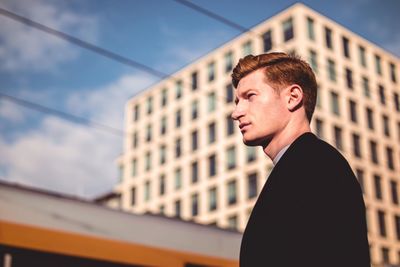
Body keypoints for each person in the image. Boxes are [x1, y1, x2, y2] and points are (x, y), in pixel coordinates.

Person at [231, 52, 370, 266]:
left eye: (250, 96)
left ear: (293, 97)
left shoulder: (316, 168)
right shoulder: (302, 166)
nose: (236, 112)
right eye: (237, 101)